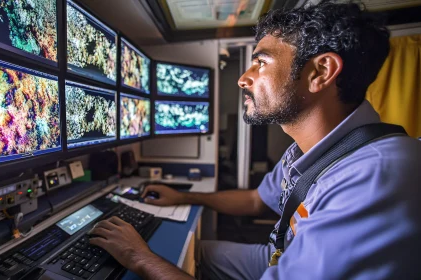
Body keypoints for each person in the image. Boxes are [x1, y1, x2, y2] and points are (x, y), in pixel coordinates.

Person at [88, 1, 421, 279]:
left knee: (158, 259)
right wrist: (183, 197)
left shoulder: (371, 178)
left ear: (321, 72)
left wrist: (140, 257)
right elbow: (254, 201)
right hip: (281, 256)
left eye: (261, 62)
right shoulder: (309, 153)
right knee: (189, 253)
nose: (243, 79)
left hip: (284, 261)